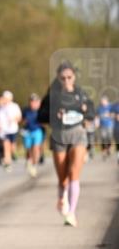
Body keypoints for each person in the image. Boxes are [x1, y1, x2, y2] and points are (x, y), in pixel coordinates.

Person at [37, 62, 95, 227]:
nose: (66, 80)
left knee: (74, 173)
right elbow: (40, 116)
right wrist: (54, 114)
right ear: (58, 78)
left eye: (69, 77)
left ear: (74, 77)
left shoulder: (82, 94)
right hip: (59, 136)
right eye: (63, 78)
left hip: (78, 134)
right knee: (63, 179)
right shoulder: (52, 96)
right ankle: (62, 197)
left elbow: (91, 112)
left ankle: (71, 213)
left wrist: (85, 111)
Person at [21, 94, 45, 177]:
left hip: (37, 131)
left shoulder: (41, 111)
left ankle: (34, 165)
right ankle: (29, 161)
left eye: (35, 102)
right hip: (27, 132)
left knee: (36, 148)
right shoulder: (25, 110)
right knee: (28, 150)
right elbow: (21, 120)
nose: (33, 103)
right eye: (31, 101)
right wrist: (23, 122)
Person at [0, 91, 22, 169]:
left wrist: (13, 119)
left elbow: (19, 117)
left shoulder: (15, 106)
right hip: (4, 131)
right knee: (6, 146)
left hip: (13, 130)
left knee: (12, 147)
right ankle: (7, 163)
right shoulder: (1, 107)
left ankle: (13, 154)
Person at [96, 95, 114, 159]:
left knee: (109, 137)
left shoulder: (110, 107)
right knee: (103, 138)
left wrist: (109, 114)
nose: (102, 102)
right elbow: (97, 116)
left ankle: (109, 148)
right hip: (102, 125)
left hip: (109, 124)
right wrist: (97, 123)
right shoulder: (99, 108)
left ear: (106, 101)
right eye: (101, 101)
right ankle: (104, 151)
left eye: (103, 101)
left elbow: (114, 114)